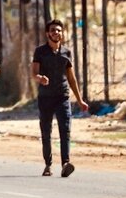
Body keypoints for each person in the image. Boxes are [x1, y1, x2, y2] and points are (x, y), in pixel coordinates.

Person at [33, 19, 89, 177]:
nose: (55, 32)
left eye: (58, 30)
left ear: (62, 34)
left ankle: (65, 162)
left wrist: (79, 100)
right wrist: (40, 78)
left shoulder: (66, 52)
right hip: (45, 97)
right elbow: (33, 72)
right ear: (47, 33)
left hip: (62, 96)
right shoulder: (40, 52)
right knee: (46, 131)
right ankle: (48, 164)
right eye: (52, 30)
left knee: (65, 130)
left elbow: (71, 78)